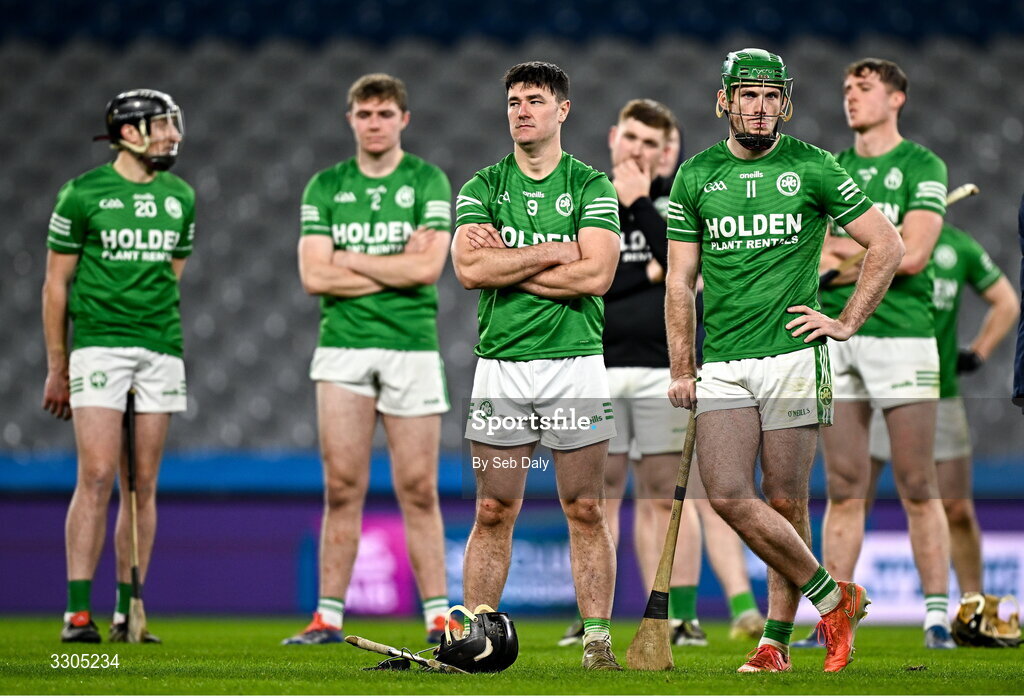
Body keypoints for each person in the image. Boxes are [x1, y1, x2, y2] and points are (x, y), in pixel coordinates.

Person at [665, 48, 903, 673]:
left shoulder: (814, 167)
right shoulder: (695, 176)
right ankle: (834, 595)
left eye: (771, 96)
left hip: (794, 355)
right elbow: (678, 284)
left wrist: (847, 320)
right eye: (748, 95)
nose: (760, 108)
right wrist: (682, 366)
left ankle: (775, 643)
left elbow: (887, 243)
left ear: (785, 102)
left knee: (787, 503)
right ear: (725, 101)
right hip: (723, 362)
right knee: (726, 495)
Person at [562, 98, 763, 648]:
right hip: (593, 367)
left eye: (651, 144)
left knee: (666, 496)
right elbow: (582, 279)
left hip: (661, 370)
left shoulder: (682, 200)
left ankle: (675, 615)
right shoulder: (584, 195)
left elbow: (690, 274)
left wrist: (641, 212)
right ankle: (591, 613)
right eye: (631, 138)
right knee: (595, 497)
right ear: (612, 138)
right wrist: (642, 273)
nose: (639, 150)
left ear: (667, 151)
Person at [451, 61, 623, 670]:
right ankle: (472, 633)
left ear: (563, 110)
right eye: (514, 101)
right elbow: (471, 271)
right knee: (493, 509)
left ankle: (597, 638)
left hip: (574, 365)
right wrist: (556, 251)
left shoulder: (591, 186)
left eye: (535, 100)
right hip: (502, 368)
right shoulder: (481, 186)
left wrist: (514, 259)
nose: (521, 110)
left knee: (585, 507)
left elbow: (599, 275)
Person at [287, 74, 454, 645]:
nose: (374, 123)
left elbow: (426, 271)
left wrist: (349, 259)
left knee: (419, 487)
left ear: (403, 119)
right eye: (365, 114)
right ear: (350, 119)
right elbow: (313, 275)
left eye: (385, 113)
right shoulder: (326, 185)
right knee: (341, 486)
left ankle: (437, 615)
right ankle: (327, 618)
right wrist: (390, 264)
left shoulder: (427, 179)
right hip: (343, 349)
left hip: (411, 346)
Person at [812, 58, 954, 649]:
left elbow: (913, 255)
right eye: (846, 87)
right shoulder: (829, 167)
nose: (851, 97)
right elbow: (813, 258)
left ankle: (937, 617)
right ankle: (834, 618)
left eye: (864, 89)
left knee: (918, 484)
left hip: (904, 339)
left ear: (896, 99)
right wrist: (874, 252)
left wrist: (856, 254)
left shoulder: (923, 165)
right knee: (844, 484)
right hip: (839, 341)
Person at [42, 89, 193, 643]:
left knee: (142, 482)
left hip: (160, 347)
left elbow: (170, 273)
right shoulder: (82, 193)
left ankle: (131, 609)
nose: (173, 134)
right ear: (128, 132)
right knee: (98, 474)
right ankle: (77, 614)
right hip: (100, 345)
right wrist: (58, 364)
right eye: (162, 125)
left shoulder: (181, 197)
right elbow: (56, 284)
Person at [865, 223, 1018, 626]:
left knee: (957, 508)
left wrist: (980, 353)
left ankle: (973, 609)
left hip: (939, 393)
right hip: (874, 392)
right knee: (850, 501)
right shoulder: (867, 238)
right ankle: (833, 610)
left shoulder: (958, 245)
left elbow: (1006, 302)